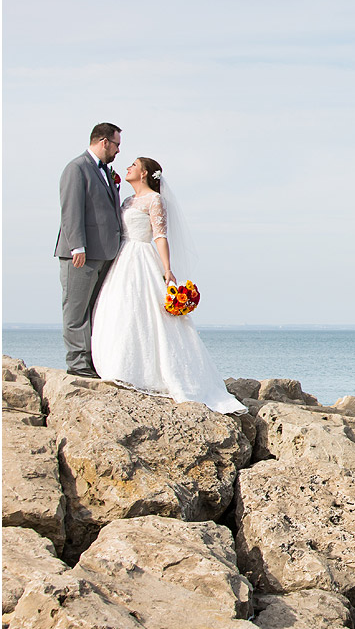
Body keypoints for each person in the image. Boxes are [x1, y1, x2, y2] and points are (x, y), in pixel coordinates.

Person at [90, 156, 245, 414]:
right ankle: (117, 364)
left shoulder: (155, 200)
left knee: (147, 312)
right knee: (120, 308)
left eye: (134, 165)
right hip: (123, 257)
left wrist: (167, 269)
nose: (128, 167)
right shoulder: (127, 201)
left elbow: (160, 236)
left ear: (145, 173)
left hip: (141, 256)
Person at [55, 123, 124, 377]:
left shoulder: (106, 171)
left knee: (95, 310)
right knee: (76, 309)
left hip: (104, 253)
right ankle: (77, 363)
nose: (118, 151)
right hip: (80, 254)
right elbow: (71, 210)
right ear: (104, 141)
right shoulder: (76, 168)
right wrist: (77, 247)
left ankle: (93, 360)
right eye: (116, 145)